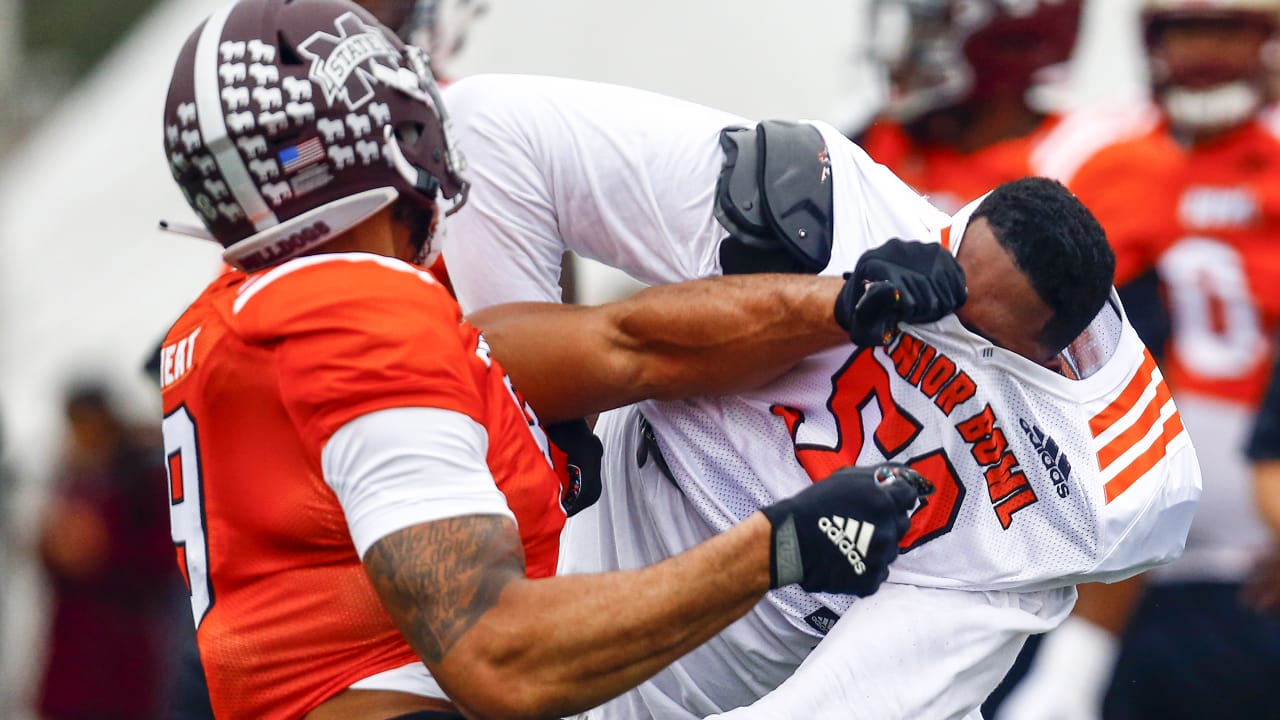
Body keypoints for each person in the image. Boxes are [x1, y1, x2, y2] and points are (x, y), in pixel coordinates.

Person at [157, 1, 933, 718]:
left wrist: (839, 300)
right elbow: (502, 657)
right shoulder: (355, 315)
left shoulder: (234, 318)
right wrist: (778, 546)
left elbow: (624, 343)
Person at [439, 72, 1202, 719]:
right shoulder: (832, 213)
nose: (950, 318)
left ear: (1044, 348)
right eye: (954, 286)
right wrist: (533, 437)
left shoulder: (1081, 491)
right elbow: (485, 131)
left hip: (730, 675)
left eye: (981, 324)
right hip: (558, 553)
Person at [998, 1, 1280, 718]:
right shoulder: (1097, 150)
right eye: (1184, 31)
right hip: (1095, 529)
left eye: (1227, 30)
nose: (1204, 53)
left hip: (1248, 553)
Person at [851, 0, 1150, 215]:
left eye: (935, 26)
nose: (908, 50)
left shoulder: (1086, 162)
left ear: (1014, 37)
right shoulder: (877, 143)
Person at [35, 383, 184, 720]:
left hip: (122, 656)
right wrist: (50, 547)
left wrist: (102, 547)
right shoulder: (69, 475)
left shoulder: (142, 477)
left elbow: (164, 558)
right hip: (72, 657)